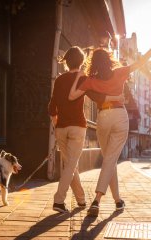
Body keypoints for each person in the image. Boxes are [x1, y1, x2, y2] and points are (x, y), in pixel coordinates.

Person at [68, 40, 151, 217]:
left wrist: (79, 78)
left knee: (109, 160)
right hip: (120, 116)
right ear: (109, 60)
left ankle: (118, 201)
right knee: (110, 161)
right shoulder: (119, 72)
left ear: (93, 63)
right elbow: (140, 63)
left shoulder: (90, 81)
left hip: (103, 118)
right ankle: (97, 200)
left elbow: (72, 96)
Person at [48, 46, 123, 213]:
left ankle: (81, 200)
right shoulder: (83, 78)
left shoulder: (59, 80)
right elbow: (97, 96)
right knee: (71, 165)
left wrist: (55, 123)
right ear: (81, 62)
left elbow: (52, 106)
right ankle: (59, 201)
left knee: (70, 165)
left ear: (66, 61)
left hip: (60, 127)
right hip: (77, 127)